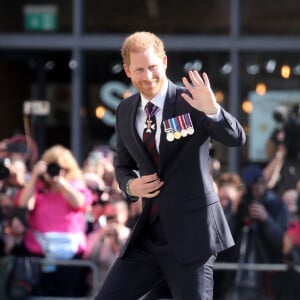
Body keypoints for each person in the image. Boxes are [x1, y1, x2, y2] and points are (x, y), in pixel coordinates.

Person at [94, 31, 246, 300]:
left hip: (193, 237)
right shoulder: (125, 110)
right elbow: (122, 167)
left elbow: (236, 138)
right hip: (149, 237)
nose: (148, 76)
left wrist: (213, 110)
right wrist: (131, 185)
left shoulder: (192, 101)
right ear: (128, 71)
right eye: (139, 69)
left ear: (164, 62)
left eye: (153, 67)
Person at [15, 144, 93, 297]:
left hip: (71, 256)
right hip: (40, 255)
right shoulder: (37, 187)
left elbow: (79, 202)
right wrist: (34, 177)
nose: (56, 171)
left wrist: (60, 182)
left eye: (62, 168)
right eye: (53, 167)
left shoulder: (75, 186)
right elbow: (24, 204)